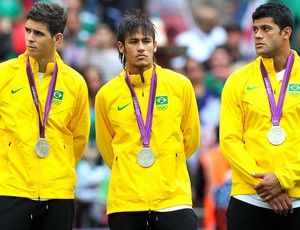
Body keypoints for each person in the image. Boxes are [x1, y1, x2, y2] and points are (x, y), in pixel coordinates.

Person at [95, 10, 200, 230]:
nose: (141, 47)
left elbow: (190, 140)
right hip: (126, 202)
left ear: (155, 46)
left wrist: (167, 163)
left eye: (146, 41)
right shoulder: (107, 94)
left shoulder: (180, 86)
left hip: (173, 199)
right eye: (133, 41)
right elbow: (107, 150)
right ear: (121, 47)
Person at [0, 2, 90, 230]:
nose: (30, 38)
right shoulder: (4, 75)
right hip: (11, 189)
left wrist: (57, 165)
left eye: (38, 33)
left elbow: (78, 139)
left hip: (58, 193)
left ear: (57, 39)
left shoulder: (75, 83)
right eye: (28, 30)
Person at [220, 2, 300, 230]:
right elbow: (229, 140)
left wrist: (283, 178)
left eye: (266, 29)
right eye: (255, 29)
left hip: (297, 197)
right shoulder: (238, 80)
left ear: (286, 33)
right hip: (249, 198)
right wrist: (265, 186)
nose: (257, 35)